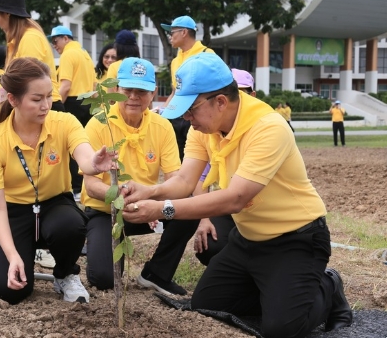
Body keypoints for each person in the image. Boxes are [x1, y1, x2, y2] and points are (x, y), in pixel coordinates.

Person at [122, 53, 353, 337]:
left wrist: (160, 210)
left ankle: (327, 287)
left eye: (191, 109)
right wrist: (151, 191)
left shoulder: (268, 127)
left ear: (220, 101)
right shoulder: (204, 128)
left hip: (296, 238)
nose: (186, 118)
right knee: (206, 304)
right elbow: (184, 180)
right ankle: (279, 292)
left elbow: (236, 198)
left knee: (282, 328)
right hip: (247, 240)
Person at [0, 57, 116, 305]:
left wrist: (94, 163)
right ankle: (23, 256)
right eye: (36, 99)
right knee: (9, 291)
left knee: (71, 225)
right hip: (13, 212)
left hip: (54, 204)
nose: (46, 105)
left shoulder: (64, 122)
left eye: (49, 97)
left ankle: (64, 275)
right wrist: (12, 256)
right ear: (13, 100)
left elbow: (84, 156)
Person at [82, 57, 198, 295]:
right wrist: (119, 197)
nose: (134, 97)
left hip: (146, 209)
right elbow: (90, 184)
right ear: (116, 90)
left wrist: (154, 204)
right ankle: (104, 248)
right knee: (104, 279)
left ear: (153, 92)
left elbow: (176, 179)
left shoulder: (162, 126)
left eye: (142, 90)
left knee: (187, 210)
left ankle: (156, 273)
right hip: (106, 212)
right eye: (128, 90)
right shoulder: (98, 124)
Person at [193, 68, 255, 267]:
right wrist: (204, 218)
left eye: (243, 92)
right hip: (230, 207)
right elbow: (196, 178)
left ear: (252, 96)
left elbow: (240, 196)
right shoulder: (210, 132)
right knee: (210, 244)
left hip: (261, 210)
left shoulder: (264, 129)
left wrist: (162, 208)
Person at [0, 0, 64, 111]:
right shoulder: (19, 40)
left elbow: (32, 80)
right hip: (33, 106)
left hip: (42, 107)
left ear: (7, 14)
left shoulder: (30, 38)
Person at [48, 25, 97, 199]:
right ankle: (84, 185)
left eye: (56, 41)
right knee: (84, 145)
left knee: (70, 146)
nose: (55, 45)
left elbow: (65, 85)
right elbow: (94, 85)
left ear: (66, 38)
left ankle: (75, 188)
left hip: (73, 102)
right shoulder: (85, 54)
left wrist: (55, 107)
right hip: (88, 102)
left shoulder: (68, 54)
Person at [160, 15, 215, 161]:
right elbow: (174, 91)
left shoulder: (206, 55)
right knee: (178, 159)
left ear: (184, 32)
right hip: (178, 115)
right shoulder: (175, 61)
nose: (170, 37)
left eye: (172, 33)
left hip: (199, 116)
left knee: (200, 161)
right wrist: (163, 112)